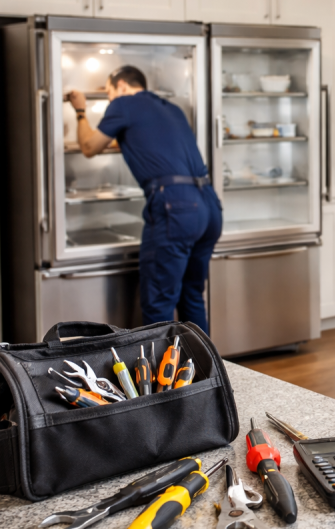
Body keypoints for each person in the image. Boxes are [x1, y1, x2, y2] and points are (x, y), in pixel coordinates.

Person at [67, 65, 222, 334]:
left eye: (108, 92)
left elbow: (90, 147)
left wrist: (80, 110)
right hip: (208, 204)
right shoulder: (171, 108)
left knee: (158, 303)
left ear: (122, 86)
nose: (109, 99)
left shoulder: (124, 104)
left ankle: (159, 376)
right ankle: (204, 371)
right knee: (192, 294)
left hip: (176, 206)